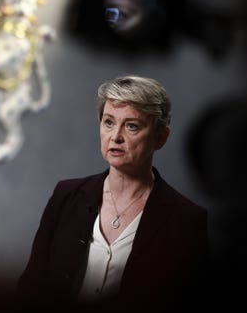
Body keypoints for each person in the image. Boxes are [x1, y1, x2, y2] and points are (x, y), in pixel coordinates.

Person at [15, 75, 208, 312]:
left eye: (131, 126)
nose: (115, 136)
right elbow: (30, 288)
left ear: (160, 137)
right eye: (108, 122)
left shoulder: (187, 220)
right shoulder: (66, 196)